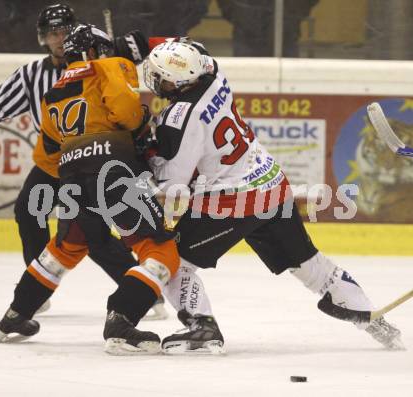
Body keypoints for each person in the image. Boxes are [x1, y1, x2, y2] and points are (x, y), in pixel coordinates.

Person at [142, 40, 404, 353]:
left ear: (177, 81)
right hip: (271, 184)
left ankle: (202, 328)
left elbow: (173, 182)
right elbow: (197, 49)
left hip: (230, 201)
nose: (155, 80)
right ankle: (371, 319)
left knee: (173, 263)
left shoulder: (180, 119)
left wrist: (149, 153)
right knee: (310, 264)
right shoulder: (214, 73)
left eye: (160, 75)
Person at [0, 24, 180, 354]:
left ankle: (16, 314)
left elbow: (46, 155)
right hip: (114, 170)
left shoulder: (51, 93)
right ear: (94, 51)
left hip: (70, 175)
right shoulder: (109, 66)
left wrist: (76, 167)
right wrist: (139, 125)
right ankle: (121, 320)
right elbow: (124, 111)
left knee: (65, 247)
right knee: (160, 248)